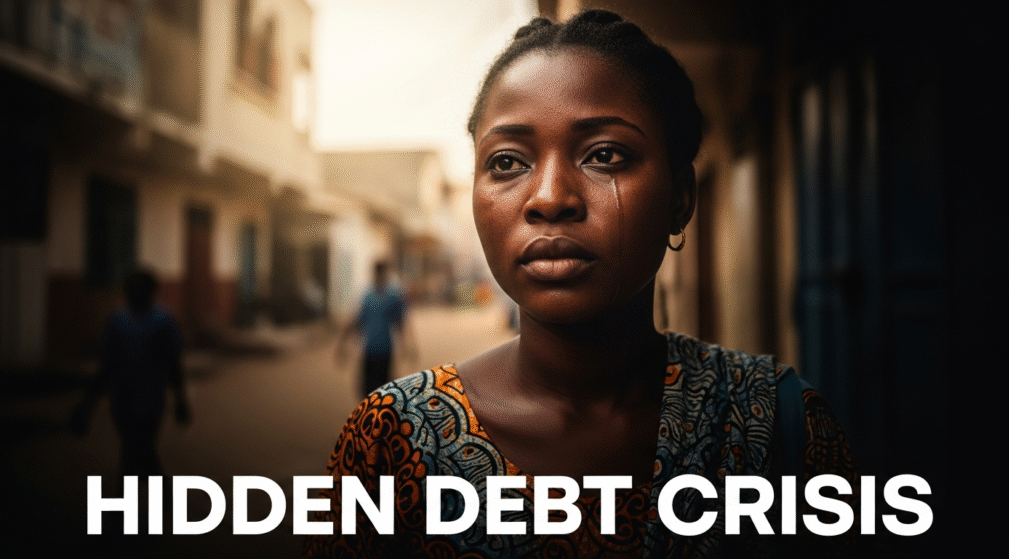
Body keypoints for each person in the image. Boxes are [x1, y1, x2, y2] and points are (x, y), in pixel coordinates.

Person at [305, 10, 857, 558]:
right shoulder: (391, 438)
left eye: (605, 155)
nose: (549, 198)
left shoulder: (780, 427)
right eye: (507, 162)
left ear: (680, 197)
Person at [72, 270, 191, 476]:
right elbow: (107, 365)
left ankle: (148, 489)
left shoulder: (161, 322)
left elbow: (173, 364)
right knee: (137, 450)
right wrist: (87, 404)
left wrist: (181, 400)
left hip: (148, 398)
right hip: (125, 399)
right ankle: (159, 489)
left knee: (135, 450)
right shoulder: (120, 321)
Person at [338, 261, 413, 396]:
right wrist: (343, 342)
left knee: (382, 391)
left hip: (385, 350)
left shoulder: (394, 296)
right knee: (366, 390)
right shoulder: (367, 296)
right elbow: (358, 320)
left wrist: (406, 345)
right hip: (369, 350)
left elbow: (401, 322)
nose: (381, 276)